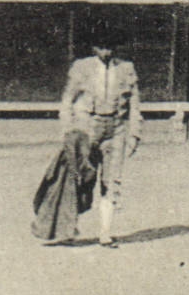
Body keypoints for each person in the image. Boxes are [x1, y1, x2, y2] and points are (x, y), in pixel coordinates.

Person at [58, 24, 142, 246]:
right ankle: (69, 229)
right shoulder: (81, 68)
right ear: (94, 48)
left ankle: (105, 233)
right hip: (87, 127)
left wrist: (134, 134)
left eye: (110, 47)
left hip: (116, 129)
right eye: (101, 47)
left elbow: (134, 105)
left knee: (111, 181)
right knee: (80, 178)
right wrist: (68, 131)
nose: (106, 52)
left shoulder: (126, 68)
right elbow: (67, 100)